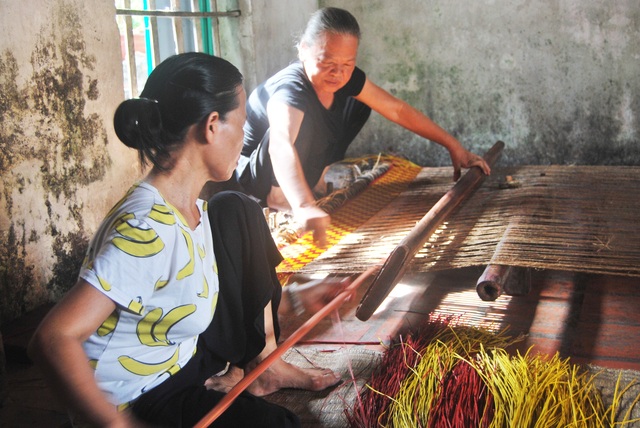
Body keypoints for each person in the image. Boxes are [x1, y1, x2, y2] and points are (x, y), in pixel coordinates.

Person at [28, 52, 347, 428]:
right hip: (142, 394)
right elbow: (52, 338)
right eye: (242, 125)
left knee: (237, 209)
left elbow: (206, 290)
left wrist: (294, 297)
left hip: (185, 355)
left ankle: (263, 367)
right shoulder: (145, 228)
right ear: (212, 125)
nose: (245, 138)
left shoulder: (194, 209)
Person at [235, 7, 491, 247]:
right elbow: (280, 143)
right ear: (303, 49)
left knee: (359, 103)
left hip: (293, 162)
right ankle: (281, 199)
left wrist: (453, 145)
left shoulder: (344, 78)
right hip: (257, 179)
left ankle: (315, 179)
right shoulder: (291, 88)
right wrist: (303, 205)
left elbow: (396, 109)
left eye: (347, 64)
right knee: (302, 121)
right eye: (326, 62)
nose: (337, 73)